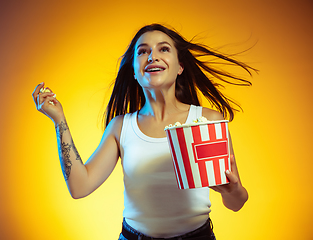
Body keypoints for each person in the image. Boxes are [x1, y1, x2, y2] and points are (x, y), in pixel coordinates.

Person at [32, 23, 254, 240]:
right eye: (143, 51)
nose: (152, 56)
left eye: (164, 49)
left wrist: (231, 190)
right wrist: (59, 120)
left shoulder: (207, 121)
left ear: (180, 67)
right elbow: (80, 187)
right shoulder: (121, 127)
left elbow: (236, 203)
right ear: (135, 72)